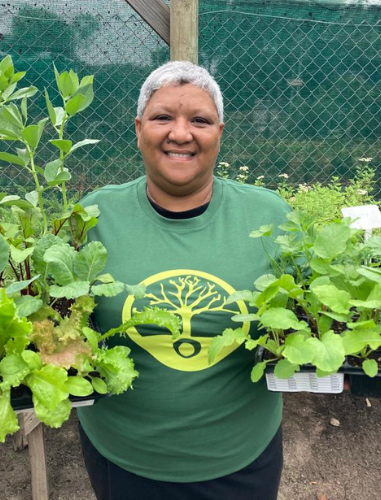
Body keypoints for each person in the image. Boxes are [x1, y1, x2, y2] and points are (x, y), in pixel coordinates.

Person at [78, 61, 290, 500]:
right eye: (162, 118)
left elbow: (313, 312)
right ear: (138, 129)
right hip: (124, 455)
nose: (180, 133)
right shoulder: (94, 215)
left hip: (240, 456)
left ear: (220, 132)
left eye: (200, 120)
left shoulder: (270, 216)